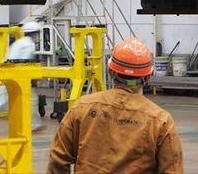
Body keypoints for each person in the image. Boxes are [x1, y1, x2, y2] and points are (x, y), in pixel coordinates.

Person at [46, 37, 183, 174]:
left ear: (111, 72)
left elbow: (57, 158)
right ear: (147, 77)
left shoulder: (82, 108)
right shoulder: (160, 121)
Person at [0, 21, 44, 134]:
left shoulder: (19, 42)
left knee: (1, 102)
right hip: (17, 77)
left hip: (7, 74)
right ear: (34, 33)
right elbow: (25, 62)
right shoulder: (29, 44)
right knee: (31, 100)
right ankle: (33, 126)